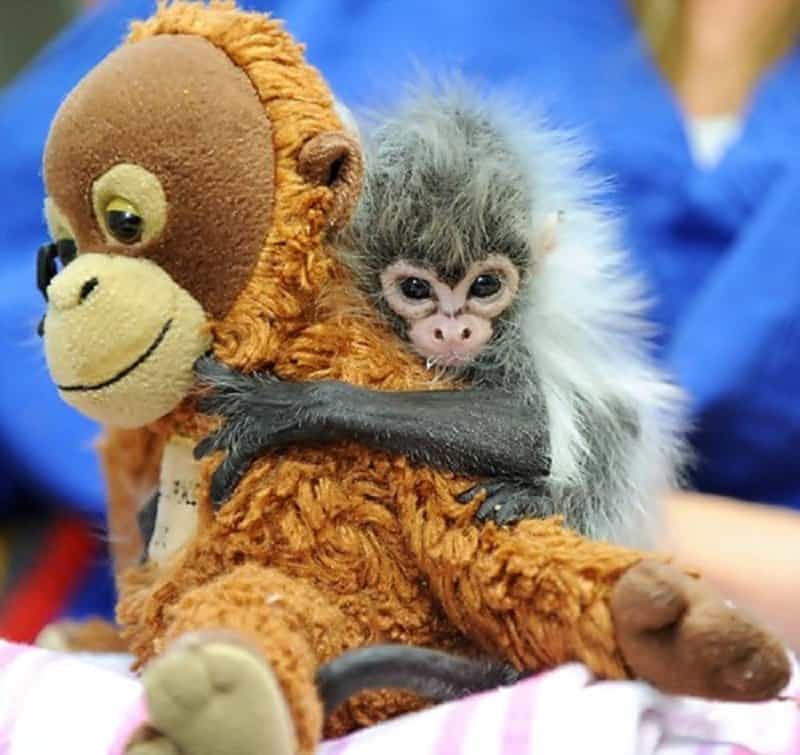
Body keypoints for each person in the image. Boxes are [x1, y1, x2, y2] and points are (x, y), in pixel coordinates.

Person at [0, 0, 798, 646]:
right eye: (419, 294)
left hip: (586, 603)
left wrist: (596, 515)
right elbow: (59, 242)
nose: (450, 326)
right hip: (205, 579)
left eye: (483, 290)